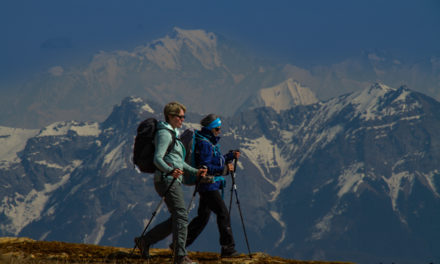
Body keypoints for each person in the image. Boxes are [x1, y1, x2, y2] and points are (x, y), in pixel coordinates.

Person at [135, 102, 207, 264]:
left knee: (177, 216)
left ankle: (145, 241)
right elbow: (158, 158)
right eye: (179, 116)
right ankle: (180, 257)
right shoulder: (165, 134)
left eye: (183, 117)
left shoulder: (173, 133)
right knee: (181, 215)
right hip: (166, 180)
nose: (182, 119)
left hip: (171, 179)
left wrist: (196, 172)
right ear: (170, 116)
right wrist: (169, 171)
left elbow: (179, 162)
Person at [185, 114, 240, 257]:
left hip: (207, 185)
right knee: (223, 213)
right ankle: (228, 248)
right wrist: (225, 170)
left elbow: (215, 159)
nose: (219, 131)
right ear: (210, 129)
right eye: (217, 129)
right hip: (208, 185)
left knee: (202, 218)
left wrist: (230, 156)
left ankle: (180, 243)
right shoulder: (205, 144)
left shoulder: (207, 141)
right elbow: (206, 166)